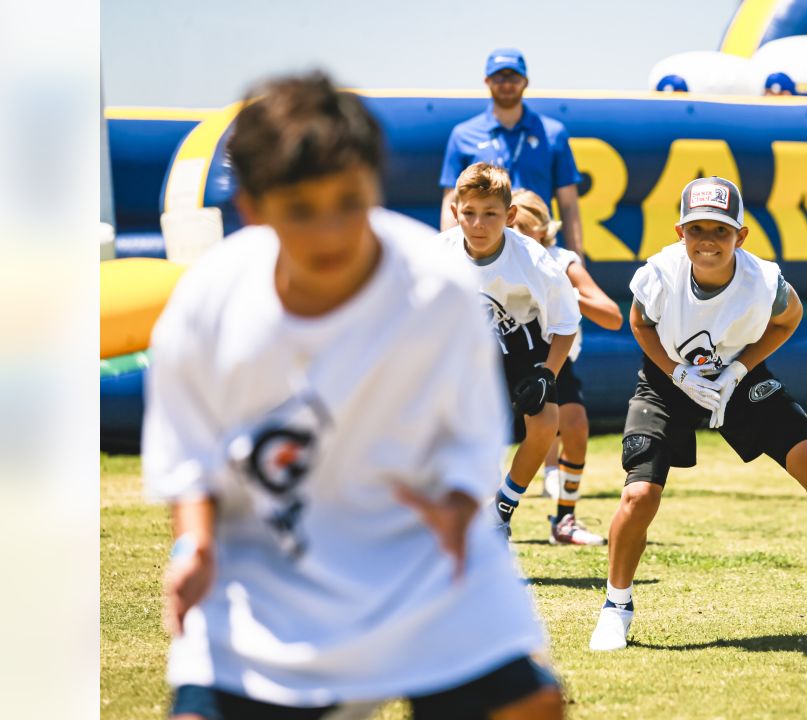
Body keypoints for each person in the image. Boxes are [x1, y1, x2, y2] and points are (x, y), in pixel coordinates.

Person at [143, 72, 562, 719]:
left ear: (375, 185)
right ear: (253, 208)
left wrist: (455, 504)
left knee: (531, 704)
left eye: (349, 201)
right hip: (266, 574)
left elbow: (470, 434)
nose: (331, 231)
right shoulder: (208, 305)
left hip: (420, 555)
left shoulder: (436, 288)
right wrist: (193, 546)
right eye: (301, 211)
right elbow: (190, 457)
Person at [588, 177, 807, 652]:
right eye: (697, 228)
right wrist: (679, 374)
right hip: (667, 379)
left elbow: (791, 317)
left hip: (735, 376)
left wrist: (740, 367)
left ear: (740, 236)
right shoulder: (660, 273)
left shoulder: (764, 280)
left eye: (720, 231)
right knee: (639, 494)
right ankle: (615, 608)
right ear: (679, 231)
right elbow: (640, 321)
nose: (707, 240)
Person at [437, 163, 580, 538]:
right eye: (468, 213)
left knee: (547, 422)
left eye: (491, 214)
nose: (478, 224)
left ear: (510, 215)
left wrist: (548, 374)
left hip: (522, 341)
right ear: (455, 212)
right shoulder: (438, 255)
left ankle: (501, 509)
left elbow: (565, 324)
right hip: (466, 345)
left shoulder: (533, 261)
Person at [509, 189, 623, 546]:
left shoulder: (561, 261)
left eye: (525, 229)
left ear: (544, 230)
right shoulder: (496, 257)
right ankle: (487, 516)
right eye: (513, 228)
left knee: (574, 427)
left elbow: (613, 316)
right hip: (502, 360)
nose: (518, 237)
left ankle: (565, 518)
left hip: (553, 363)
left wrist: (567, 293)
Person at [439, 48, 585, 259]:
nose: (506, 84)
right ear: (487, 81)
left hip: (538, 250)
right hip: (483, 252)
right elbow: (451, 202)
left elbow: (569, 205)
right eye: (499, 77)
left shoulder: (553, 133)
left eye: (513, 77)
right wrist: (449, 258)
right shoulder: (463, 135)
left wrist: (577, 258)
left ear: (525, 81)